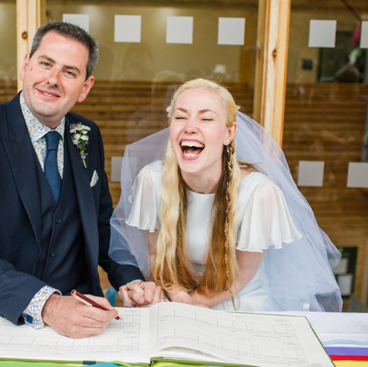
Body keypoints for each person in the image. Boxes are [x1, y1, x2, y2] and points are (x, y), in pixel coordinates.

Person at [0, 21, 161, 338]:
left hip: (71, 324)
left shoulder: (87, 135)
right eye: (45, 64)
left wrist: (129, 279)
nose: (52, 79)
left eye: (69, 72)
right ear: (26, 65)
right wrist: (46, 305)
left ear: (85, 87)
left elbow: (101, 224)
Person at [111, 78, 342, 312]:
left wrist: (193, 305)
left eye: (206, 118)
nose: (190, 127)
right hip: (178, 298)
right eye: (180, 117)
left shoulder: (258, 193)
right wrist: (180, 300)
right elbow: (155, 255)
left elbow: (240, 276)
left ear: (229, 133)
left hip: (240, 301)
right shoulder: (152, 181)